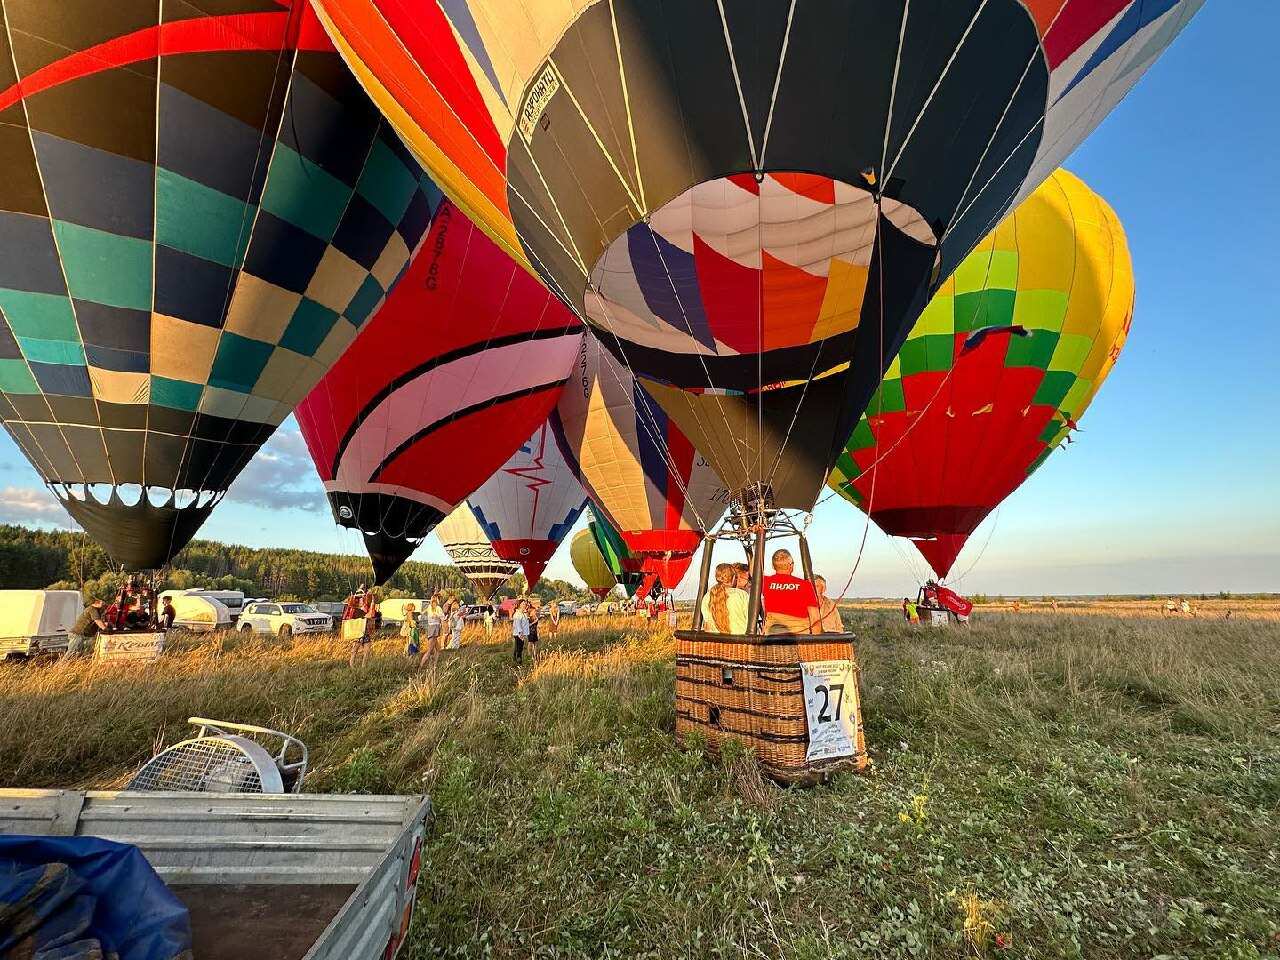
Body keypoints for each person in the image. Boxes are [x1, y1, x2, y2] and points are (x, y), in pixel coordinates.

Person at [760, 549, 819, 634]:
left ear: (773, 566)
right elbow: (815, 618)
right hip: (799, 637)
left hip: (773, 637)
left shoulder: (766, 582)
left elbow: (753, 572)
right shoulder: (805, 585)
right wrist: (816, 642)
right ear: (791, 566)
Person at [701, 563, 748, 634]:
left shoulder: (707, 596)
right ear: (733, 578)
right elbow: (750, 620)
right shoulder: (742, 595)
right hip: (741, 642)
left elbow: (707, 623)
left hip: (715, 642)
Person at [419, 595, 444, 670]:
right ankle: (420, 666)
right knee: (429, 650)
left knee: (438, 649)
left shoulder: (429, 607)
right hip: (434, 628)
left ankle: (434, 665)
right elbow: (442, 617)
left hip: (431, 628)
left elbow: (422, 614)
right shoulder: (437, 608)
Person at [511, 599, 530, 664]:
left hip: (522, 633)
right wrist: (520, 634)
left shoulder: (523, 613)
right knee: (519, 648)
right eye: (523, 604)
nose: (525, 605)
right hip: (518, 633)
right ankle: (518, 660)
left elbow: (526, 622)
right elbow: (518, 625)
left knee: (519, 647)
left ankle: (515, 659)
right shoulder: (517, 614)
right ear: (519, 605)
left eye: (525, 604)